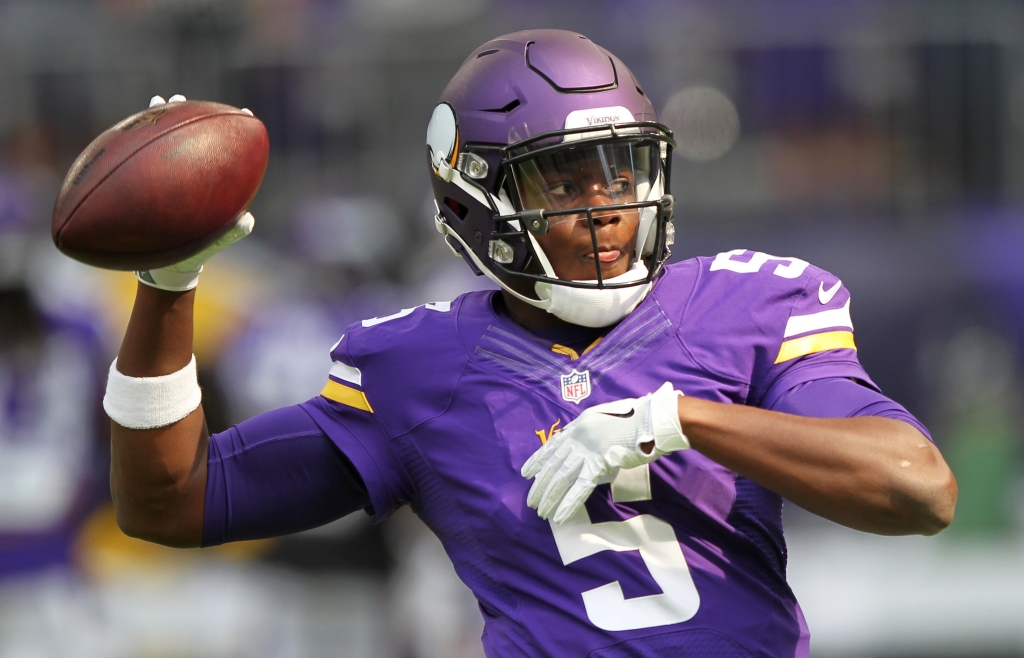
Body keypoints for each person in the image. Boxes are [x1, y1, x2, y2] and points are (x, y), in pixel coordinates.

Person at [103, 30, 956, 657]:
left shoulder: (750, 306)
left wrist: (680, 420)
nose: (604, 206)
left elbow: (918, 490)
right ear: (472, 200)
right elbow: (170, 502)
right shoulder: (415, 367)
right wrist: (166, 287)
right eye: (562, 178)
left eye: (620, 170)